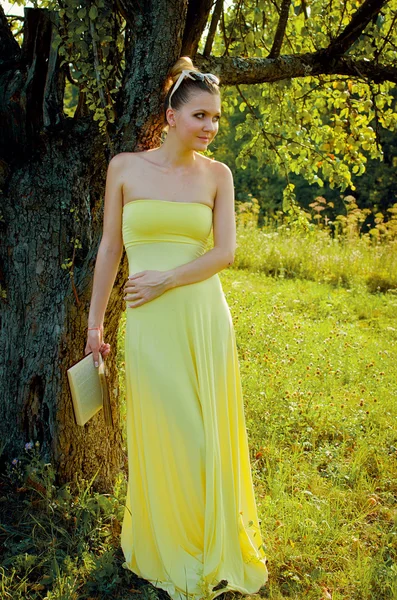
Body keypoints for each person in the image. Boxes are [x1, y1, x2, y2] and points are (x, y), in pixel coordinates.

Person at [85, 55, 268, 600]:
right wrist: (95, 324)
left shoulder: (218, 176)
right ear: (171, 115)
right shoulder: (124, 167)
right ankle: (167, 540)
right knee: (167, 431)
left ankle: (208, 543)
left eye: (216, 119)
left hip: (200, 314)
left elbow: (225, 253)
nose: (211, 128)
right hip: (146, 323)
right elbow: (110, 249)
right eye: (201, 116)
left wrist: (165, 278)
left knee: (203, 436)